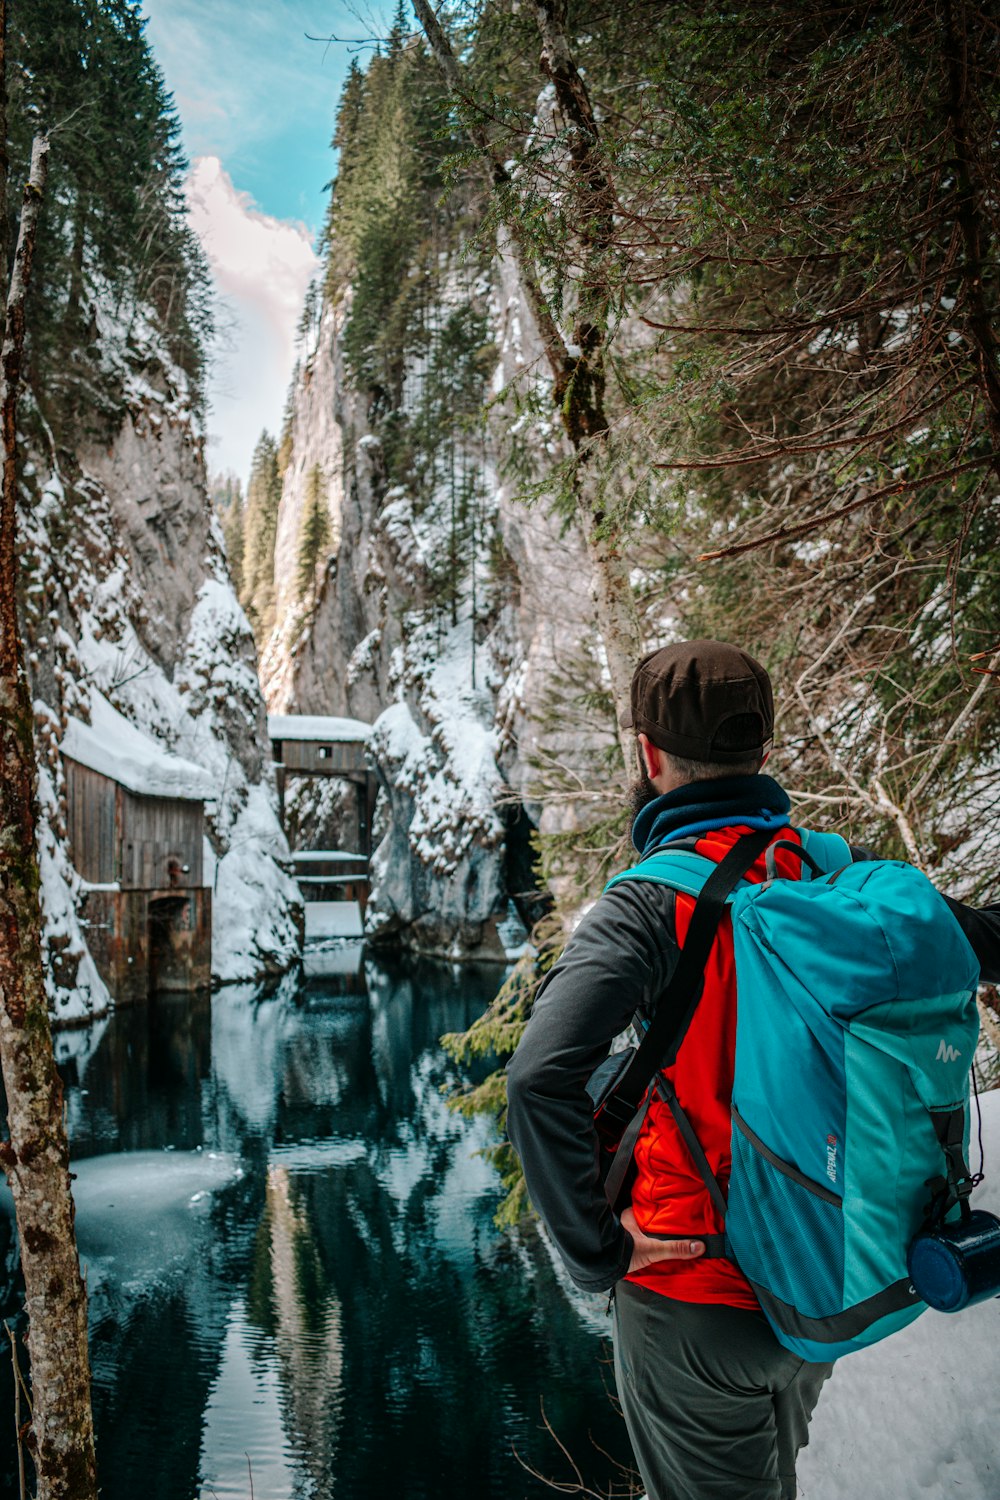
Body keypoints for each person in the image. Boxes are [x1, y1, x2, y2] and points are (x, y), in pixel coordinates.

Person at [505, 639, 1000, 1500]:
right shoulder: (833, 879)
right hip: (821, 1279)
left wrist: (597, 1254)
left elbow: (538, 1078)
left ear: (649, 755)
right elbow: (987, 942)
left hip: (693, 1295)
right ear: (763, 753)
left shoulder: (651, 902)